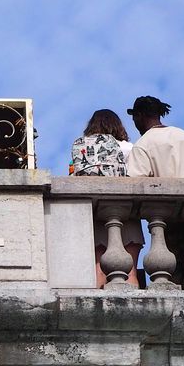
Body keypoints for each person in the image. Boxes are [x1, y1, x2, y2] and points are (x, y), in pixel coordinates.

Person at [126, 96, 184, 287]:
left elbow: (134, 185)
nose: (134, 122)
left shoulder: (143, 144)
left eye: (134, 117)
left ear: (140, 116)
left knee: (171, 279)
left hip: (167, 221)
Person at [71, 109, 141, 287]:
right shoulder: (128, 148)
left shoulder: (85, 148)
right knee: (130, 270)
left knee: (98, 269)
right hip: (127, 214)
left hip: (96, 215)